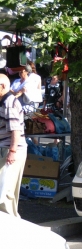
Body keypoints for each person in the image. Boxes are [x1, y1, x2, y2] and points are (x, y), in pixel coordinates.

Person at [0, 73, 27, 217]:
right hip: (6, 148)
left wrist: (12, 151)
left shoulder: (9, 103)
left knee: (6, 190)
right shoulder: (3, 101)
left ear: (3, 86)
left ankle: (9, 223)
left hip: (12, 150)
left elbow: (16, 130)